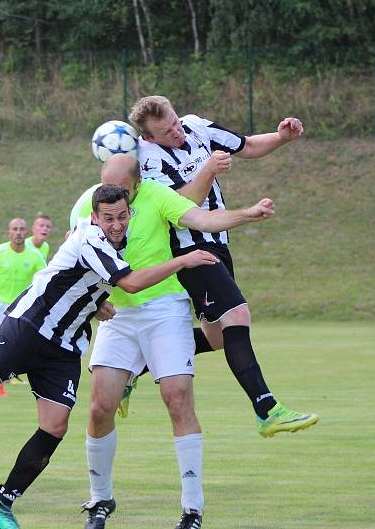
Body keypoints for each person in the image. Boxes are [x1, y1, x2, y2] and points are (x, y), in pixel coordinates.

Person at [0, 185, 221, 529]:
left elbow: (82, 279)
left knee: (55, 426)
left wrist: (96, 304)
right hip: (29, 324)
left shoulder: (122, 243)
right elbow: (130, 282)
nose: (116, 224)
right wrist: (182, 261)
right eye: (108, 217)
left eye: (122, 216)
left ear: (130, 214)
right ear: (95, 218)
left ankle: (2, 502)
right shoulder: (90, 237)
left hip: (64, 346)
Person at [73, 154, 275, 529]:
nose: (111, 195)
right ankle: (100, 501)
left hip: (165, 310)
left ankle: (192, 509)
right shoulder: (94, 202)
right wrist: (95, 299)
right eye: (104, 184)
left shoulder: (159, 196)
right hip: (119, 316)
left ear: (137, 183)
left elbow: (203, 219)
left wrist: (248, 213)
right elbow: (75, 254)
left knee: (177, 399)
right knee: (100, 407)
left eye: (120, 189)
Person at [129, 94, 318, 437]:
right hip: (188, 249)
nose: (176, 131)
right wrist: (208, 170)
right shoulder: (148, 161)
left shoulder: (196, 126)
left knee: (218, 337)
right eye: (166, 131)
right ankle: (267, 409)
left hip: (218, 242)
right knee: (237, 315)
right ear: (149, 137)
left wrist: (281, 138)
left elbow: (245, 146)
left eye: (174, 121)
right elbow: (183, 207)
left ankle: (133, 364)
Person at [0, 218, 47, 364]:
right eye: (15, 229)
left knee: (17, 342)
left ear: (27, 232)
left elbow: (47, 277)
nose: (18, 233)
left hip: (20, 305)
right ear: (8, 233)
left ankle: (4, 375)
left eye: (21, 229)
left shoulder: (35, 255)